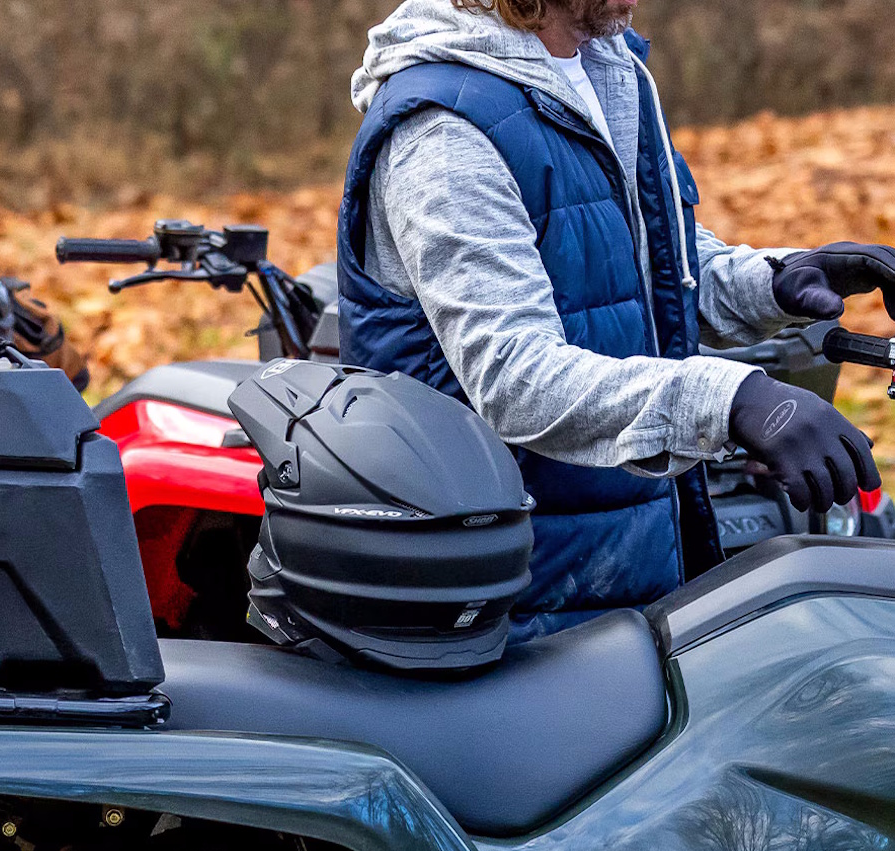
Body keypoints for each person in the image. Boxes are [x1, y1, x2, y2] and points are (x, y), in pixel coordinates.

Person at [340, 0, 889, 640]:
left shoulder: (606, 69)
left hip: (628, 556)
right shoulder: (443, 131)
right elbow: (515, 375)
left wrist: (779, 281)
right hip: (509, 600)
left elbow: (647, 275)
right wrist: (732, 401)